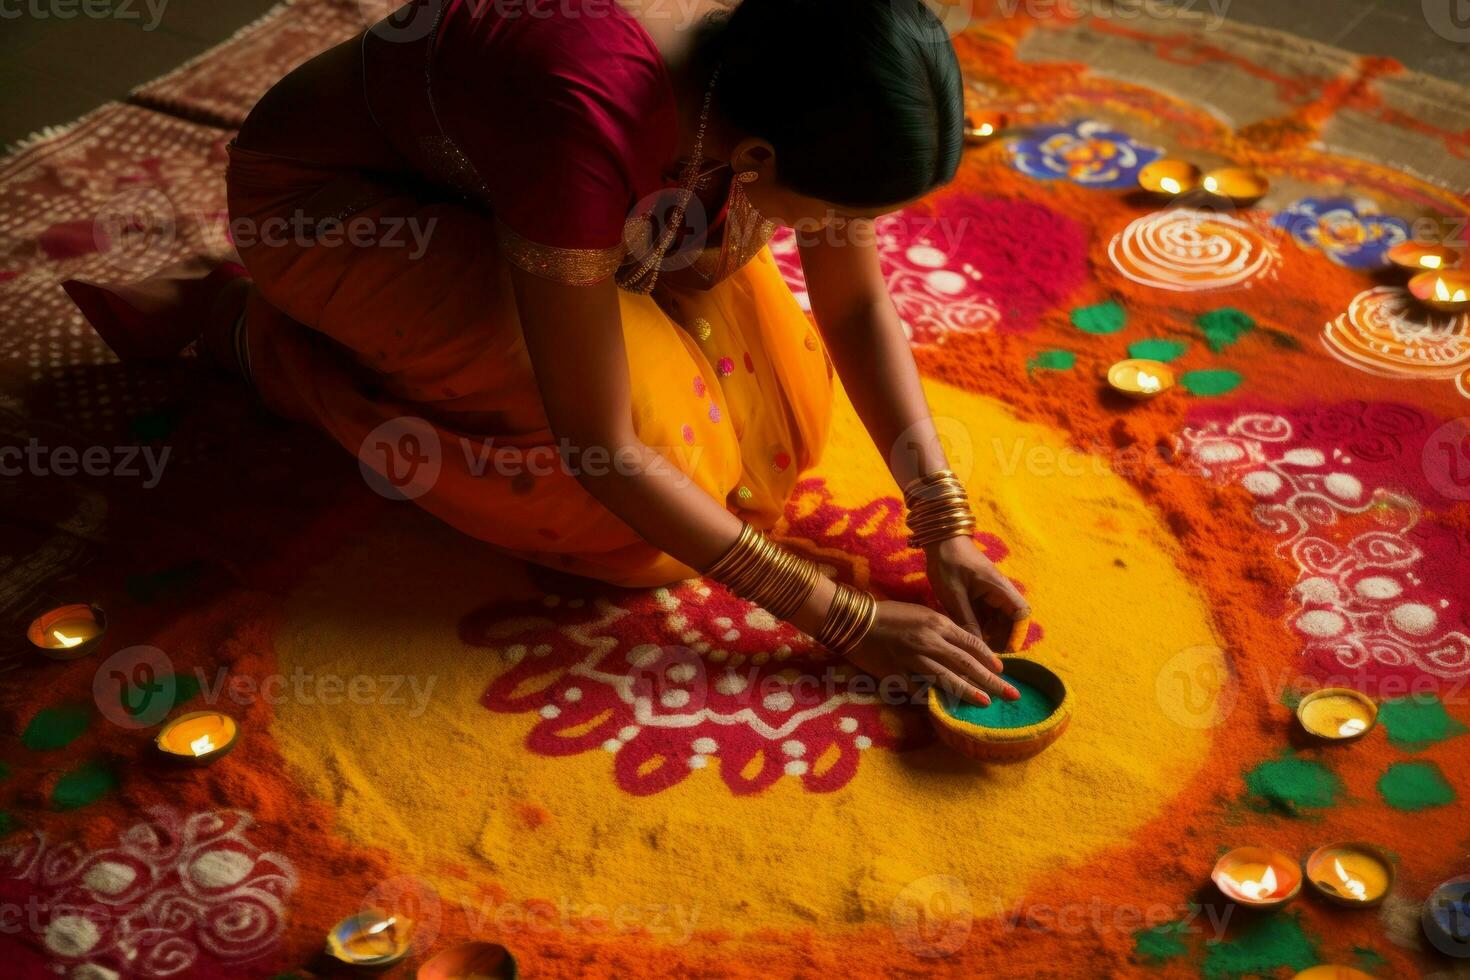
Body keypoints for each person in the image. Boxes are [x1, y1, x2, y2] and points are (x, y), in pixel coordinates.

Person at [64, 0, 1028, 705]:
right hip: (345, 207)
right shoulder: (590, 107)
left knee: (779, 437)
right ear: (761, 161)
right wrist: (842, 621)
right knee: (638, 510)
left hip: (533, 200)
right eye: (839, 215)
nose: (837, 235)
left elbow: (856, 308)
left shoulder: (792, 70)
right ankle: (239, 325)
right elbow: (598, 444)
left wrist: (942, 522)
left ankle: (401, 324)